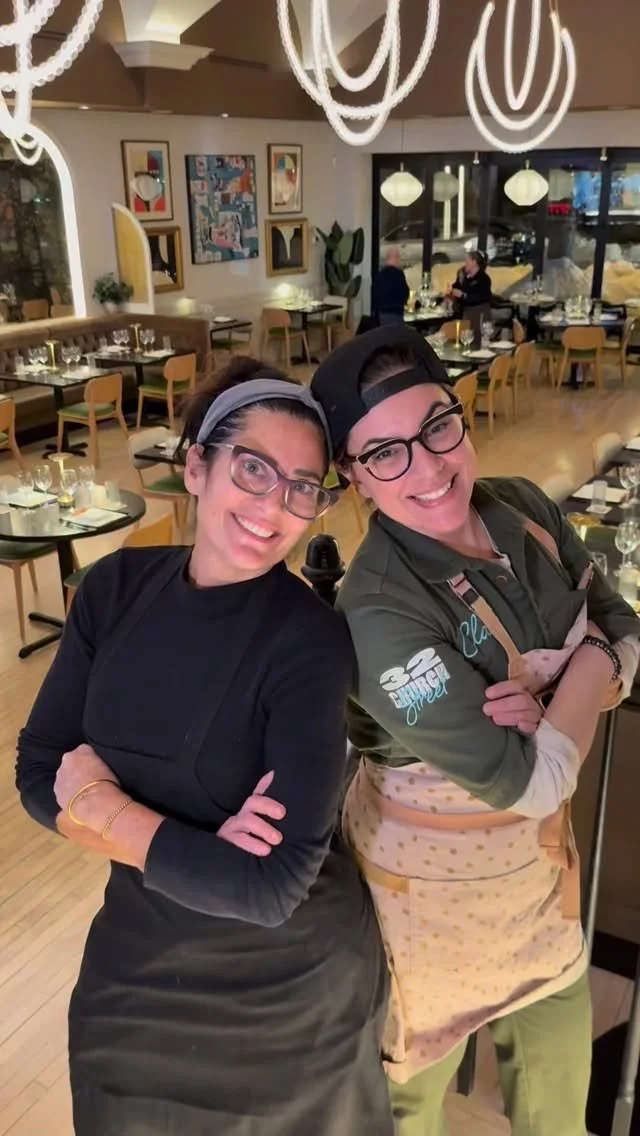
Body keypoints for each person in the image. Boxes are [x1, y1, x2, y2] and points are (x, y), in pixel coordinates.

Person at [15, 356, 394, 1136]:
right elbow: (35, 769)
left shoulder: (310, 641)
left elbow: (273, 887)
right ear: (196, 467)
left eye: (303, 487)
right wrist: (197, 847)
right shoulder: (114, 589)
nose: (274, 505)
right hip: (137, 969)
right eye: (253, 469)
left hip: (291, 991)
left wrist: (101, 806)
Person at [307, 325, 640, 1136]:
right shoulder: (376, 607)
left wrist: (571, 689)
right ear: (352, 473)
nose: (428, 468)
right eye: (385, 454)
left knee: (558, 1111)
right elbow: (534, 780)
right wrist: (592, 666)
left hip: (538, 884)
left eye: (437, 427)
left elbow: (626, 622)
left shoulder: (523, 506)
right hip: (419, 909)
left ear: (460, 414)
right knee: (408, 1111)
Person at [448, 249, 492, 322]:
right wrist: (451, 295)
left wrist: (463, 295)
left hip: (479, 314)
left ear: (474, 262)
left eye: (467, 260)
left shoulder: (484, 279)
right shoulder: (466, 277)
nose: (465, 262)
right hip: (466, 313)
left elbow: (481, 297)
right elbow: (456, 288)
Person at [374, 247, 410, 326]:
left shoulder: (379, 275)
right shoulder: (398, 274)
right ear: (396, 258)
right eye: (398, 257)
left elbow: (375, 294)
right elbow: (405, 293)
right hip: (396, 313)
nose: (399, 260)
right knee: (396, 333)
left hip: (382, 314)